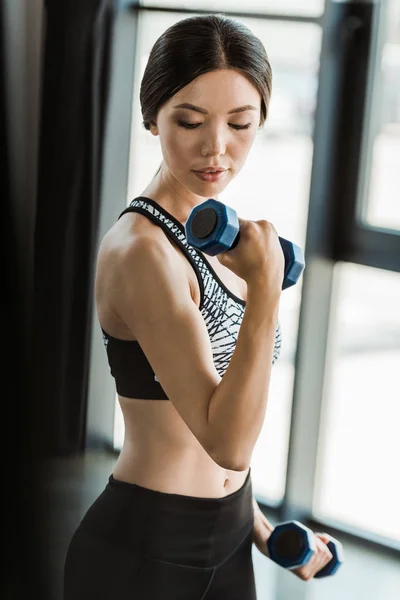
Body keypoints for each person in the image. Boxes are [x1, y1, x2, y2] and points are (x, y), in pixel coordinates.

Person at [63, 13, 334, 599]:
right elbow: (225, 439)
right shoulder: (141, 252)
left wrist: (261, 527)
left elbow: (230, 403)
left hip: (233, 534)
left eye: (241, 123)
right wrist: (265, 290)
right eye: (190, 121)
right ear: (152, 116)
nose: (217, 148)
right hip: (146, 550)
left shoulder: (217, 235)